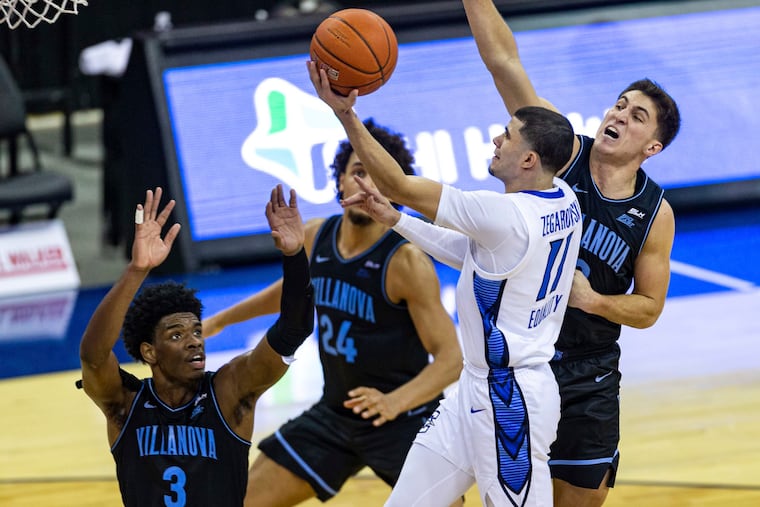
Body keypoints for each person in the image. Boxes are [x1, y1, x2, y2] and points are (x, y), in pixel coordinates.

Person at [309, 60, 583, 506]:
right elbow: (471, 256)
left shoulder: (503, 216)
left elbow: (397, 182)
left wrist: (345, 114)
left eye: (508, 136)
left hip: (509, 399)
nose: (497, 139)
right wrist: (395, 219)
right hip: (475, 388)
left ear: (529, 160)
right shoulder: (563, 199)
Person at [461, 1, 682, 505]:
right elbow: (504, 63)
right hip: (519, 361)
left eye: (637, 116)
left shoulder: (655, 213)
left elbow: (649, 309)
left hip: (589, 374)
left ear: (652, 148)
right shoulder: (563, 150)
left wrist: (594, 301)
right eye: (620, 104)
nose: (619, 115)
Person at [202, 119, 463, 507]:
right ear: (339, 180)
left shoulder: (406, 261)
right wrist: (222, 320)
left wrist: (394, 402)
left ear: (394, 188)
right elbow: (289, 294)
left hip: (404, 421)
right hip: (336, 413)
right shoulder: (316, 235)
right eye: (358, 172)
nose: (366, 185)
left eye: (379, 176)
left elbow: (451, 359)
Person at [78, 185, 314, 507]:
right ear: (150, 352)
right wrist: (137, 271)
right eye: (176, 335)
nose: (193, 342)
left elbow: (294, 329)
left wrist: (294, 255)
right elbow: (93, 356)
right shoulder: (125, 403)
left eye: (197, 332)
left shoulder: (230, 391)